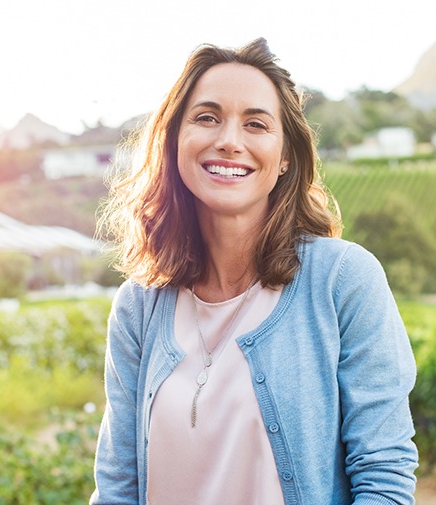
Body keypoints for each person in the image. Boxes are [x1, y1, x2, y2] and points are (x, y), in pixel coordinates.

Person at [89, 38, 418, 505]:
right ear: (175, 141)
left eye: (257, 124)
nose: (229, 140)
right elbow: (118, 489)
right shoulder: (139, 305)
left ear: (285, 156)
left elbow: (383, 475)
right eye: (206, 117)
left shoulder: (343, 280)